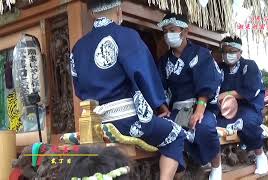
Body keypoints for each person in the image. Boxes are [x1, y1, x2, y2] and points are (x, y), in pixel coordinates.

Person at [71, 1, 186, 179]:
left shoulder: (78, 48)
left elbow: (78, 89)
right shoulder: (127, 36)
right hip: (126, 122)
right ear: (119, 11)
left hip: (93, 124)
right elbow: (144, 76)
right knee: (177, 134)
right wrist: (159, 106)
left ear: (92, 14)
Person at [157, 13, 223, 180]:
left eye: (172, 30)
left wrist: (199, 111)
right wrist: (163, 108)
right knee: (169, 131)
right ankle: (180, 171)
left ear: (185, 31)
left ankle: (216, 165)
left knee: (204, 128)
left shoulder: (201, 54)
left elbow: (207, 83)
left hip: (201, 106)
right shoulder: (164, 61)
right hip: (178, 110)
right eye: (165, 31)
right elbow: (159, 87)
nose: (168, 34)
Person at [216, 36, 268, 175]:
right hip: (224, 109)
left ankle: (259, 154)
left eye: (232, 51)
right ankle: (215, 165)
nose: (228, 54)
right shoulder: (219, 68)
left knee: (248, 123)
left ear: (240, 51)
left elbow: (251, 89)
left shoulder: (249, 65)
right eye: (225, 51)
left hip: (247, 106)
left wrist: (228, 94)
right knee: (209, 123)